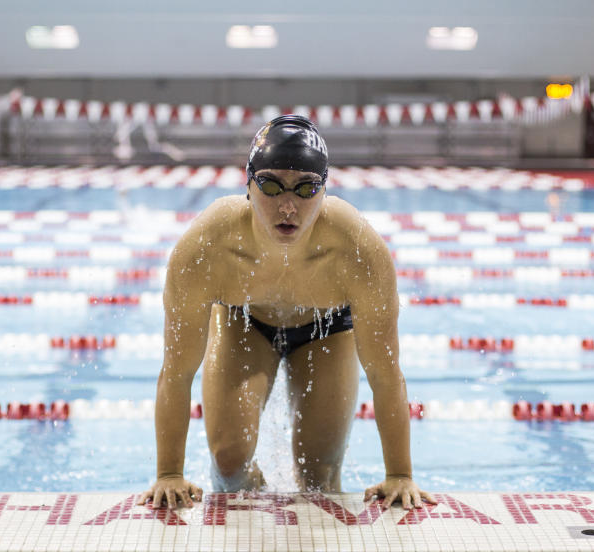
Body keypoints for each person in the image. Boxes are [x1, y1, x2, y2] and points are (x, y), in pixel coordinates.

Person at [141, 114, 434, 511]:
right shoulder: (207, 246)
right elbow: (176, 371)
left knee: (319, 477)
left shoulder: (358, 250)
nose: (288, 205)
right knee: (229, 465)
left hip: (326, 331)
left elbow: (385, 374)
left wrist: (400, 475)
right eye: (271, 185)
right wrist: (169, 474)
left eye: (306, 188)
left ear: (325, 190)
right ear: (248, 184)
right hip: (245, 323)